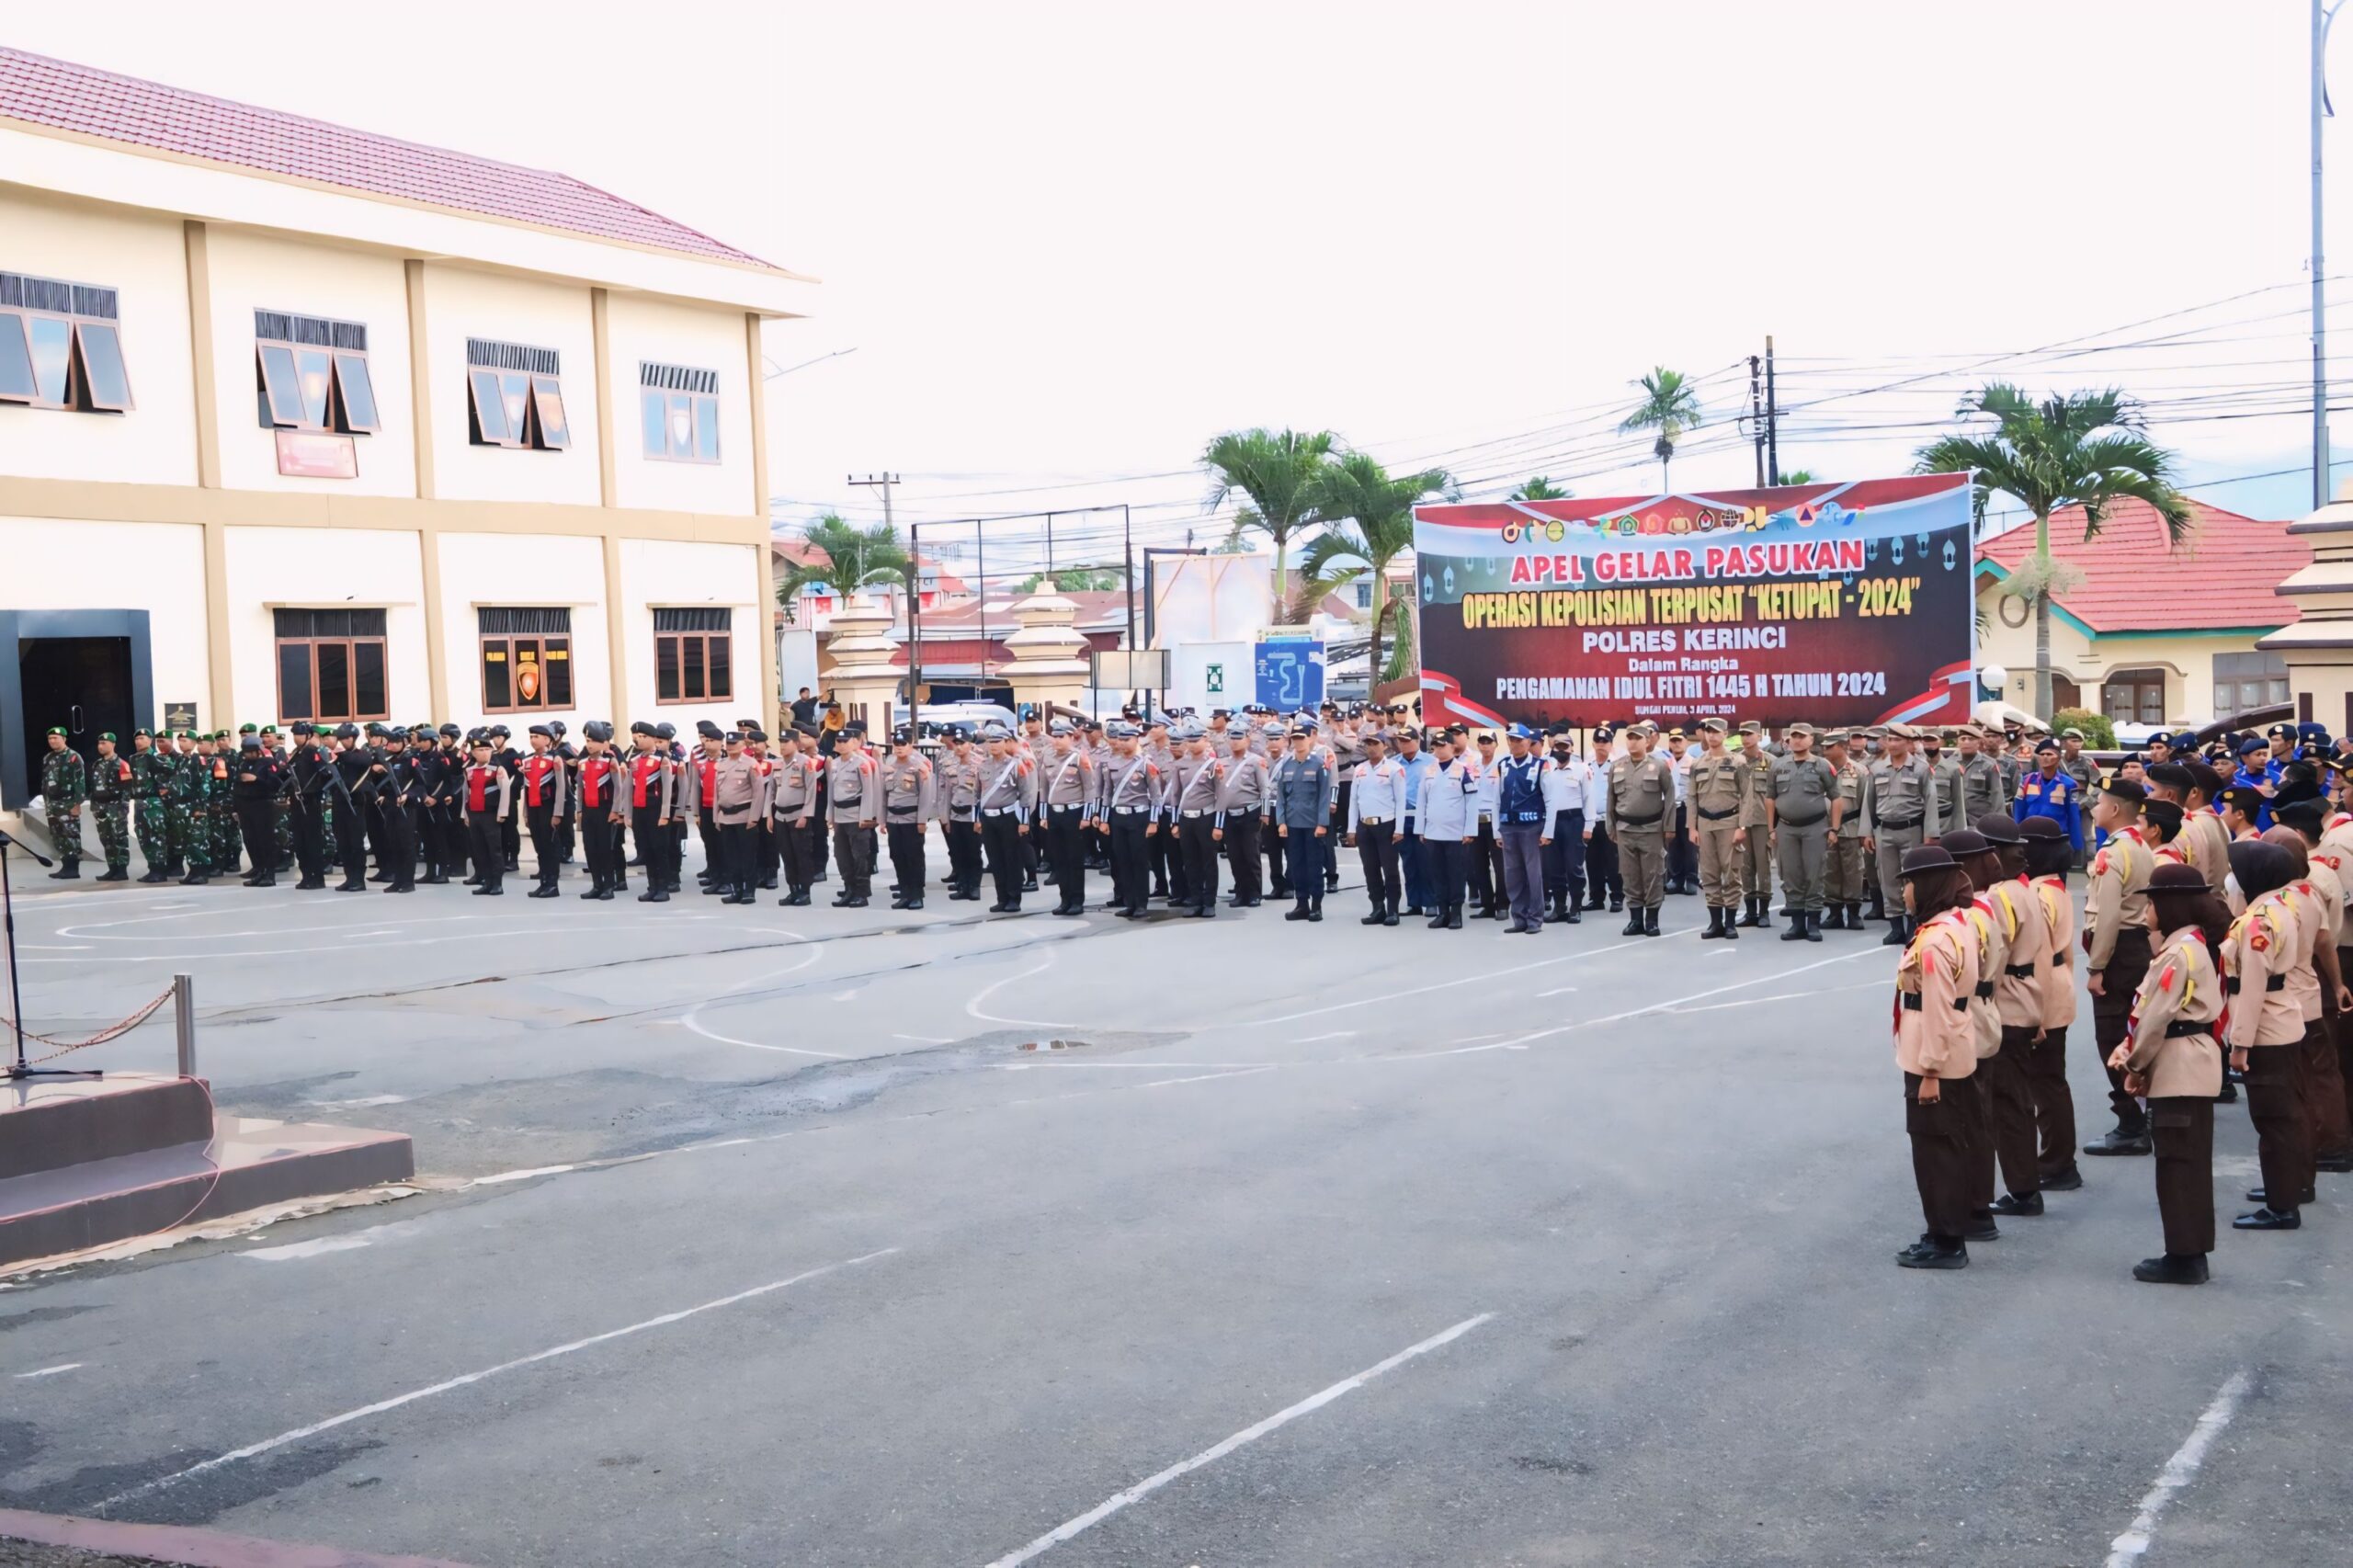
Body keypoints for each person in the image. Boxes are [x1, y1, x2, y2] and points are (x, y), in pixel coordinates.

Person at [1892, 843, 1984, 1270]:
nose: (1906, 892)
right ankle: (1943, 1230)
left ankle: (1947, 1241)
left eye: (1909, 882)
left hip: (1934, 1057)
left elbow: (1937, 1008)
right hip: (1956, 1047)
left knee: (1935, 1150)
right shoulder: (1957, 924)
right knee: (1949, 1144)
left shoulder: (1934, 942)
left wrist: (1929, 1070)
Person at [2223, 839, 2315, 1230]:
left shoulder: (2259, 920)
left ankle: (2282, 1206)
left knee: (2273, 1120)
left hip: (2266, 1030)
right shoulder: (2277, 908)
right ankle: (2284, 1190)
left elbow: (2253, 986)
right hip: (2281, 1021)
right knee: (2283, 1118)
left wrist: (2239, 1042)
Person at [2083, 775, 2157, 1157]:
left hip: (2118, 952)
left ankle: (2130, 1123)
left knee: (2111, 1037)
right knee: (2132, 1031)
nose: (2094, 808)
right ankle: (2142, 1113)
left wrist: (2097, 968)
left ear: (2113, 809)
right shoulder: (2140, 845)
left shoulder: (2111, 852)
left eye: (2098, 802)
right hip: (2136, 946)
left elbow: (2108, 916)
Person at [1768, 722, 1839, 942]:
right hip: (1786, 827)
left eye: (1802, 736)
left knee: (1814, 873)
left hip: (1815, 827)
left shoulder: (1822, 765)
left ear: (1811, 740)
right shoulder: (1778, 766)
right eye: (1793, 737)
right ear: (1788, 741)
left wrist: (1834, 828)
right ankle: (1796, 924)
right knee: (1791, 874)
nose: (1797, 740)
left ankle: (1813, 924)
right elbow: (1770, 798)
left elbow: (1836, 798)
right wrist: (1771, 828)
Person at [1865, 723, 1933, 946]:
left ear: (1908, 743)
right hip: (1885, 830)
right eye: (1890, 740)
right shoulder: (1877, 769)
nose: (1892, 744)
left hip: (1912, 829)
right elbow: (1870, 802)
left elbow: (1930, 802)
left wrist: (1930, 834)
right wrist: (1867, 832)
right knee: (1888, 878)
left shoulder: (1922, 769)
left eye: (1898, 740)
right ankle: (1895, 926)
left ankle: (1913, 924)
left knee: (1913, 879)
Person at [1608, 722, 1675, 937]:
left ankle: (1652, 920)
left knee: (1653, 875)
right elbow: (1611, 799)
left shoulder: (1660, 766)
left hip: (1651, 829)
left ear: (1647, 741)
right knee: (1630, 875)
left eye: (1638, 738)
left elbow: (1671, 796)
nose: (1633, 741)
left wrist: (1669, 826)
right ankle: (1635, 920)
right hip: (1625, 829)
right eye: (1629, 738)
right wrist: (1611, 826)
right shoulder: (1617, 766)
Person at [1685, 718, 1745, 940]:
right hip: (1705, 823)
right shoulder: (1697, 763)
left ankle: (1730, 924)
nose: (1711, 736)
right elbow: (1692, 797)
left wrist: (1742, 826)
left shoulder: (1738, 762)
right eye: (1708, 731)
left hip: (1730, 822)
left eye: (1716, 732)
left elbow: (1747, 796)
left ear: (1725, 734)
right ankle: (1715, 923)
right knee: (1709, 873)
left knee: (1731, 872)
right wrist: (1692, 827)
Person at [1270, 722, 1336, 922]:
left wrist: (1322, 823)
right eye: (1295, 738)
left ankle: (1316, 905)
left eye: (1302, 737)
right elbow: (1281, 796)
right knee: (1296, 865)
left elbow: (1324, 796)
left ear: (1310, 739)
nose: (1299, 741)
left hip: (1312, 824)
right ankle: (1301, 903)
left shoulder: (1319, 764)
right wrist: (1280, 821)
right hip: (1292, 823)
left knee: (1314, 865)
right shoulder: (1287, 765)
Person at [1493, 723, 1551, 933]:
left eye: (1519, 740)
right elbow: (1496, 800)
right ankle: (1519, 918)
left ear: (1528, 741)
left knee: (1533, 874)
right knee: (1512, 874)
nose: (1514, 743)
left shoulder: (1540, 765)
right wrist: (1496, 830)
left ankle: (1535, 919)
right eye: (1511, 739)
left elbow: (1550, 800)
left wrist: (1547, 831)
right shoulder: (1503, 765)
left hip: (1532, 827)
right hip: (1508, 827)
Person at [1345, 729, 1405, 926]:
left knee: (1390, 869)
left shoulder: (1394, 769)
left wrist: (1400, 829)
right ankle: (1377, 907)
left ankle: (1393, 909)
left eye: (1375, 743)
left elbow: (1401, 801)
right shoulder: (1360, 769)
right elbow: (1354, 800)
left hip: (1386, 825)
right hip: (1365, 826)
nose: (1371, 748)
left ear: (1385, 746)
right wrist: (1351, 828)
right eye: (1368, 744)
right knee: (1370, 869)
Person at [1417, 730, 1478, 928]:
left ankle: (1456, 913)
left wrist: (1470, 831)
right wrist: (1421, 829)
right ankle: (1442, 911)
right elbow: (1421, 802)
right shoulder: (1428, 771)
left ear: (1453, 747)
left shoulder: (1462, 770)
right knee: (1437, 873)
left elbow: (1471, 801)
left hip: (1455, 833)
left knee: (1456, 873)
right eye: (1436, 745)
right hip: (1433, 832)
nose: (1439, 748)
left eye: (1443, 745)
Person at [1038, 720, 1093, 915]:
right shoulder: (1048, 757)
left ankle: (1077, 900)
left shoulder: (1079, 758)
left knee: (1074, 859)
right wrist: (1044, 815)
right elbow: (1043, 788)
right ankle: (1064, 899)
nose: (1057, 741)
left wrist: (1086, 816)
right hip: (1054, 813)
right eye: (1055, 737)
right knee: (1059, 858)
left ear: (1071, 737)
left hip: (1074, 812)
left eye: (1062, 737)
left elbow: (1089, 788)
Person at [975, 724, 1031, 913]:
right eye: (990, 742)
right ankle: (1002, 898)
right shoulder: (982, 765)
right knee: (995, 859)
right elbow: (977, 794)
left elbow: (1025, 795)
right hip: (988, 819)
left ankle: (1014, 898)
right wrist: (977, 819)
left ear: (1006, 742)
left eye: (997, 741)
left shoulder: (1016, 765)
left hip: (1008, 817)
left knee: (1012, 858)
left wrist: (1024, 822)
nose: (993, 745)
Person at [712, 730, 770, 905]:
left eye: (734, 744)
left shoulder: (751, 764)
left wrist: (754, 817)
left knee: (747, 856)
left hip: (744, 817)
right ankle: (736, 889)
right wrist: (716, 816)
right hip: (725, 817)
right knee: (730, 856)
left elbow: (759, 792)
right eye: (728, 744)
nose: (731, 747)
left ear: (743, 745)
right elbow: (717, 792)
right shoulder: (721, 764)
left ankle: (749, 891)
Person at [828, 723, 882, 908]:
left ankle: (861, 892)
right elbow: (831, 792)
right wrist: (830, 815)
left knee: (860, 856)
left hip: (856, 816)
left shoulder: (862, 764)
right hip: (840, 816)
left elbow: (869, 792)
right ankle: (849, 888)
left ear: (854, 742)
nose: (842, 745)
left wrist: (867, 817)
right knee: (842, 856)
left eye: (845, 741)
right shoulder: (834, 764)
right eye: (839, 741)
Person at [1540, 733, 1593, 925]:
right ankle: (1560, 907)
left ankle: (1576, 907)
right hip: (1552, 823)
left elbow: (1589, 799)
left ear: (1571, 749)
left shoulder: (1581, 769)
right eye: (1557, 747)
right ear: (1552, 749)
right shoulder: (1547, 770)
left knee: (1574, 866)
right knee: (1554, 867)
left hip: (1574, 821)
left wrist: (1589, 826)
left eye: (1565, 747)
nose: (1561, 750)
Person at [1217, 724, 1271, 908]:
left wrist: (1265, 813)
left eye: (1239, 738)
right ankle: (1240, 892)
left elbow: (1265, 788)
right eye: (1231, 738)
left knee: (1251, 854)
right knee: (1234, 855)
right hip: (1229, 816)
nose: (1234, 742)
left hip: (1250, 813)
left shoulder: (1257, 761)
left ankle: (1255, 893)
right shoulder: (1222, 762)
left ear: (1247, 740)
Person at [1824, 732, 1869, 930]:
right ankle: (1834, 913)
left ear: (1842, 746)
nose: (1825, 750)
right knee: (1829, 870)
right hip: (1826, 828)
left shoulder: (1859, 771)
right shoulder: (1821, 770)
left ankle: (1853, 913)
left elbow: (1866, 803)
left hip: (1851, 827)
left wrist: (1865, 832)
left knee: (1853, 871)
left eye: (1830, 746)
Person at [1735, 722, 1777, 927]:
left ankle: (1764, 912)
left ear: (1759, 736)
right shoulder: (1736, 760)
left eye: (1749, 734)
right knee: (1745, 867)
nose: (1746, 738)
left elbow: (1776, 794)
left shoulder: (1771, 762)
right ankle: (1750, 912)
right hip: (1741, 820)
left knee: (1763, 866)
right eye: (1742, 734)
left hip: (1762, 820)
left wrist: (1774, 827)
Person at [230, 733, 285, 888]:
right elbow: (236, 786)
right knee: (251, 839)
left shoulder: (268, 763)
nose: (247, 755)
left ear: (257, 751)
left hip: (262, 805)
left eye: (249, 751)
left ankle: (269, 874)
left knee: (265, 840)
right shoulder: (244, 764)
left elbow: (276, 783)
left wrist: (256, 780)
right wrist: (235, 808)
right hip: (245, 806)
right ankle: (259, 870)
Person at [458, 738, 511, 895]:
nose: (484, 753)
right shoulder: (469, 771)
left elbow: (505, 791)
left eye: (487, 750)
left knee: (494, 850)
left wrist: (502, 812)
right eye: (480, 750)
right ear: (473, 753)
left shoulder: (497, 770)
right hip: (474, 815)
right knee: (480, 850)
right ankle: (487, 882)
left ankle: (497, 884)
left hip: (491, 815)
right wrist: (464, 814)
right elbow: (465, 794)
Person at [39, 727, 87, 878]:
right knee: (58, 836)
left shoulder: (73, 756)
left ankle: (73, 869)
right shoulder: (48, 757)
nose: (52, 741)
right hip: (52, 805)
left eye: (56, 738)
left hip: (68, 804)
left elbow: (80, 782)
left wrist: (77, 804)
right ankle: (65, 867)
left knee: (71, 835)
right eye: (50, 738)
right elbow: (46, 781)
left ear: (64, 739)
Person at [85, 732, 133, 882]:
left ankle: (122, 869)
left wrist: (123, 807)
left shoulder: (122, 764)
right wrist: (94, 807)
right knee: (106, 839)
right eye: (99, 743)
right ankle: (112, 868)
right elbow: (93, 788)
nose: (101, 746)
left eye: (104, 743)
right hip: (100, 806)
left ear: (113, 745)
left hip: (116, 806)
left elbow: (127, 787)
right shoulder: (97, 764)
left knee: (119, 838)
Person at [1586, 728, 1622, 913]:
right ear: (1593, 744)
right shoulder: (1587, 766)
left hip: (1610, 820)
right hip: (1590, 821)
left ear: (1611, 744)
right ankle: (1596, 898)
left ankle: (1617, 897)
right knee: (1593, 862)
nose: (1601, 745)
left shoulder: (1618, 766)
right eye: (1598, 741)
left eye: (1605, 742)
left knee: (1613, 861)